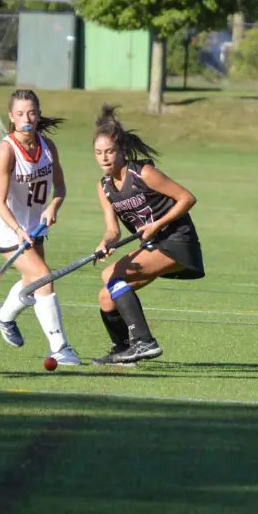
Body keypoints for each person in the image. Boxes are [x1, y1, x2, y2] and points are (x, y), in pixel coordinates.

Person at [91, 105, 205, 365]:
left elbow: (187, 198)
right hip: (155, 245)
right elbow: (113, 229)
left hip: (177, 240)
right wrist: (106, 242)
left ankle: (144, 342)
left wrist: (157, 224)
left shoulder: (143, 173)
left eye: (109, 151)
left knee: (110, 276)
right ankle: (123, 350)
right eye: (99, 153)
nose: (105, 158)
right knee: (106, 296)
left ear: (121, 150)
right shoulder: (104, 187)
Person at [0, 89, 80, 365]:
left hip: (33, 223)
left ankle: (2, 316)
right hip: (4, 226)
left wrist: (53, 207)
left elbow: (59, 186)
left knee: (32, 280)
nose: (27, 118)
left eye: (32, 112)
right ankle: (59, 347)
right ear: (11, 117)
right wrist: (17, 230)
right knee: (43, 277)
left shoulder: (48, 147)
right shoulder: (6, 151)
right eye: (21, 113)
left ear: (38, 114)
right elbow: (0, 202)